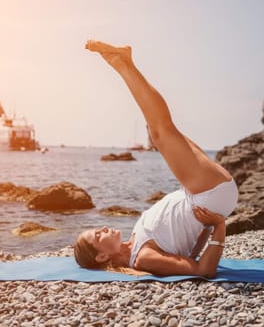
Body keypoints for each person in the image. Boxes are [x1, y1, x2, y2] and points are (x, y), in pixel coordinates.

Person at [74, 40, 238, 278]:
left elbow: (190, 249)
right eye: (97, 236)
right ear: (101, 256)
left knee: (157, 130)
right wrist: (220, 226)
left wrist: (209, 225)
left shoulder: (134, 241)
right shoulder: (143, 259)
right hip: (207, 194)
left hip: (199, 192)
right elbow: (204, 271)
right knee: (160, 131)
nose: (102, 228)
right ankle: (123, 63)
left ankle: (124, 62)